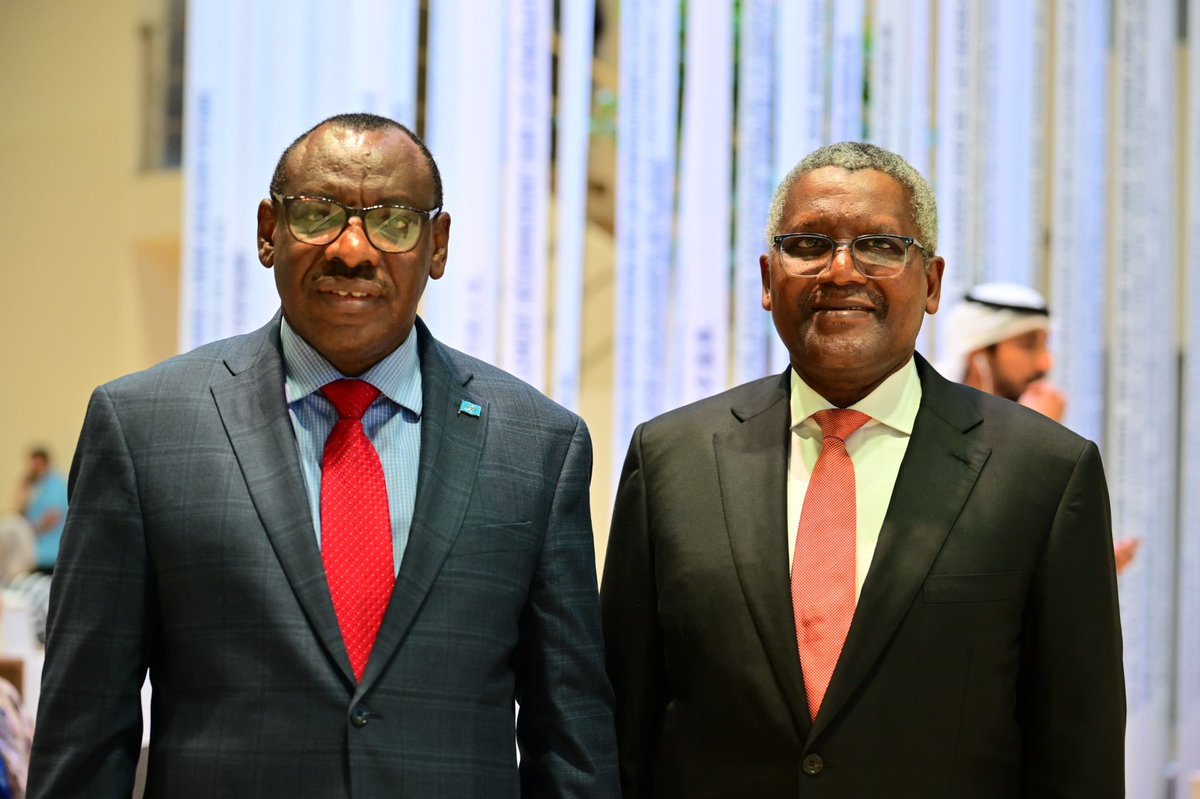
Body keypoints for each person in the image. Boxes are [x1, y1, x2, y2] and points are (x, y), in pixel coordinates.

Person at [29, 113, 619, 798]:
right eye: (318, 213)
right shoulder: (143, 428)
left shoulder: (538, 445)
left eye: (394, 220)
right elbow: (84, 737)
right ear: (267, 232)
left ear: (439, 245)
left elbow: (572, 744)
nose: (352, 248)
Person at [601, 142, 1124, 796]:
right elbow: (620, 733)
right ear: (768, 279)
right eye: (809, 244)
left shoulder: (1046, 474)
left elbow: (1080, 753)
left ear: (930, 283)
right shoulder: (669, 460)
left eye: (879, 245)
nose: (840, 270)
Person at [938, 282, 1139, 573]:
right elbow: (963, 544)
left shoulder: (1020, 427)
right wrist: (1030, 442)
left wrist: (1085, 569)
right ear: (978, 354)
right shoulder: (930, 420)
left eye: (1046, 345)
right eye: (1029, 345)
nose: (1046, 362)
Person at [13, 448, 67, 574]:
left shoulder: (55, 484)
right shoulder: (36, 486)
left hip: (49, 554)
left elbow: (52, 517)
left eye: (34, 464)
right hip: (35, 552)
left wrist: (27, 533)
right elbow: (20, 512)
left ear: (44, 463)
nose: (31, 468)